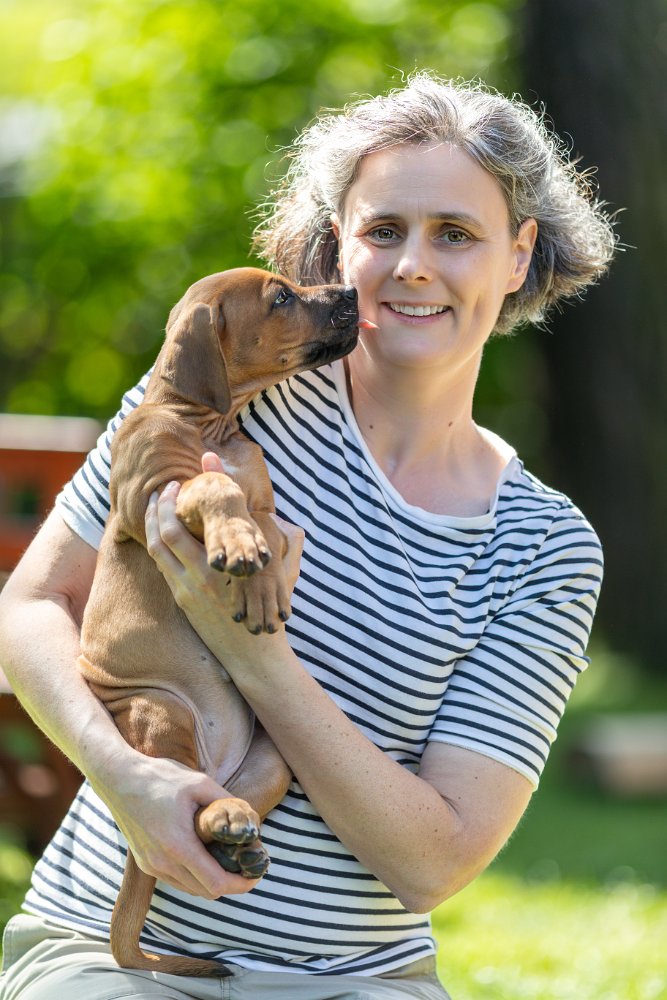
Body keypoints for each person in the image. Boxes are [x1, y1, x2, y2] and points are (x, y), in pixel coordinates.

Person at [0, 71, 615, 999]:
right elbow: (30, 606)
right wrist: (123, 774)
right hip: (106, 948)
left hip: (355, 980)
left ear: (517, 256)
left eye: (455, 233)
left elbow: (434, 861)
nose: (413, 265)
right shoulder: (223, 393)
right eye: (383, 230)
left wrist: (255, 654)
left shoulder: (541, 548)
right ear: (338, 243)